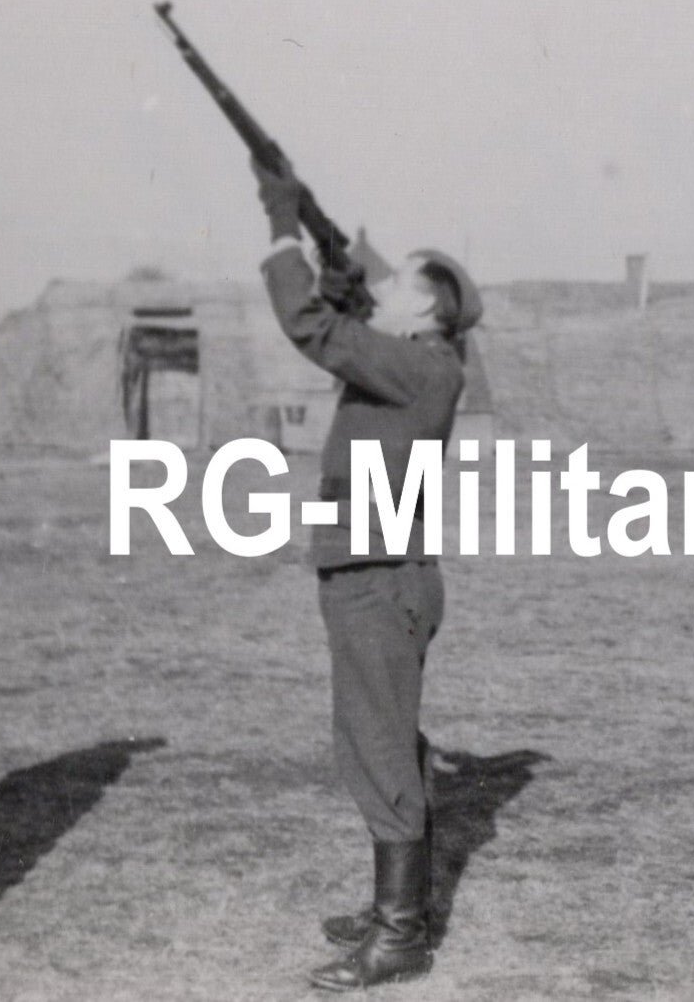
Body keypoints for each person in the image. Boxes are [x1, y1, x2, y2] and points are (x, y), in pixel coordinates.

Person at [251, 161, 481, 991]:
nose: (385, 287)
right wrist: (336, 261)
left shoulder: (420, 366)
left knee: (377, 747)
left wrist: (283, 225)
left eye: (399, 284)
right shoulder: (412, 362)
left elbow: (310, 325)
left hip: (378, 581)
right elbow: (348, 321)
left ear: (426, 307)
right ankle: (397, 910)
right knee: (383, 744)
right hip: (377, 574)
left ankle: (400, 936)